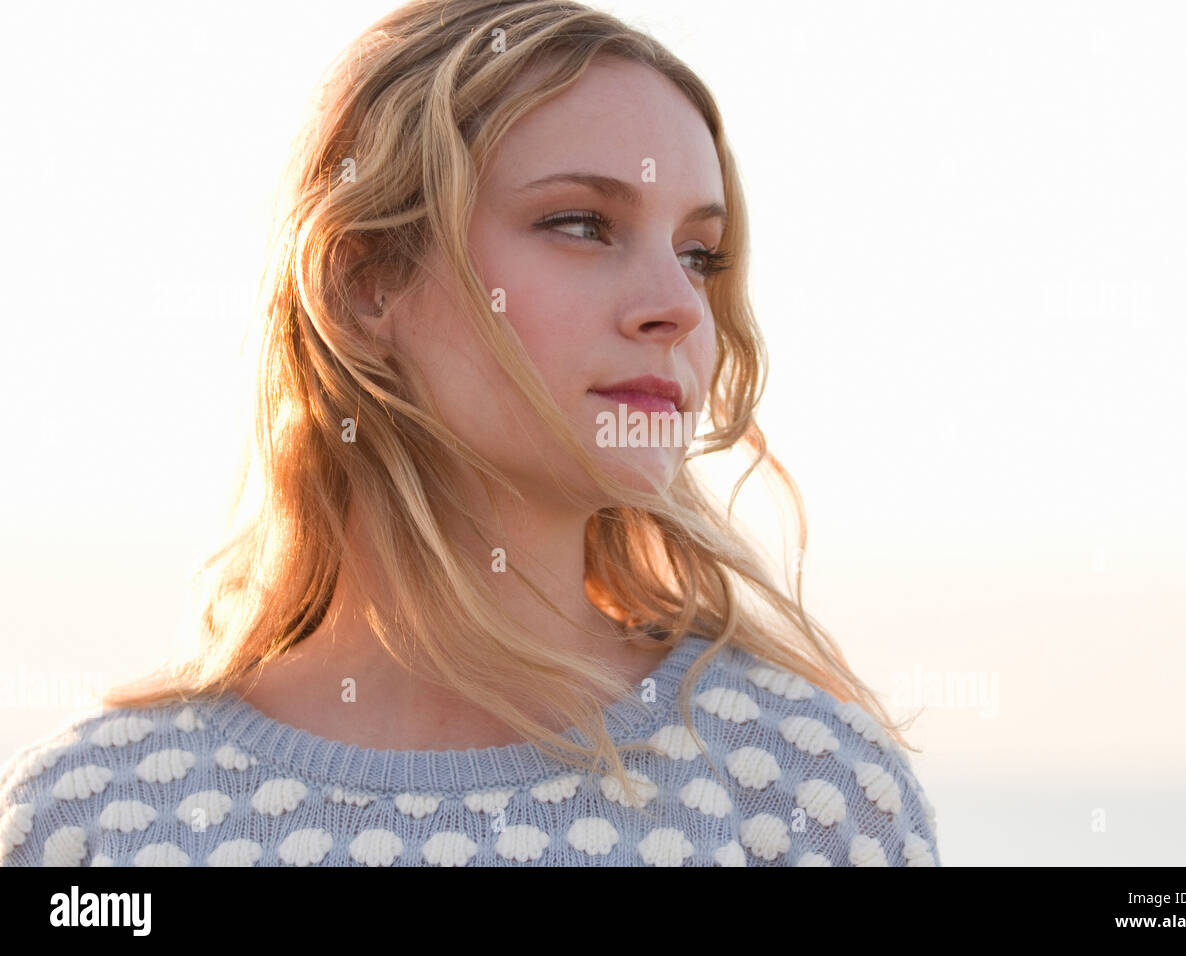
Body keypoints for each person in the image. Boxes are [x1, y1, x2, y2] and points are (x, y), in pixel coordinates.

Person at [0, 0, 939, 867]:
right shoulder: (96, 826)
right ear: (365, 281)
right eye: (581, 223)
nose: (677, 306)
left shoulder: (806, 798)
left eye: (699, 253)